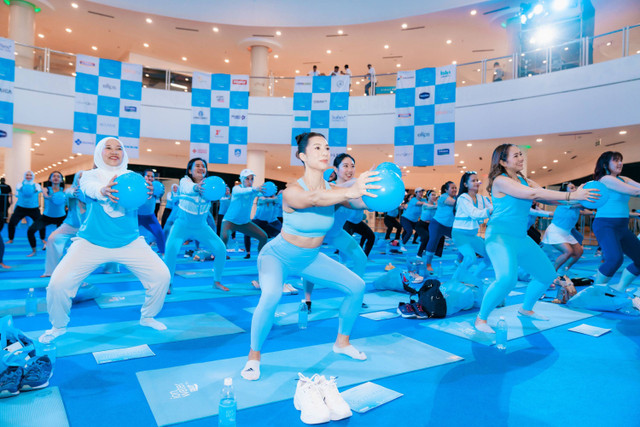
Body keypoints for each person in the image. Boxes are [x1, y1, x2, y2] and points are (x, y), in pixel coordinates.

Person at [241, 132, 380, 381]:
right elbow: (316, 198)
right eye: (317, 148)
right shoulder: (292, 191)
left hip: (310, 257)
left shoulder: (335, 191)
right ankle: (253, 357)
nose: (325, 152)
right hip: (278, 256)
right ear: (303, 156)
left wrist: (377, 194)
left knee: (357, 287)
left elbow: (358, 203)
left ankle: (342, 342)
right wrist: (350, 191)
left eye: (326, 147)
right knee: (271, 296)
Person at [39, 137, 171, 344]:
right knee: (58, 284)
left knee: (162, 275)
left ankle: (148, 317)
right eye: (108, 147)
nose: (114, 151)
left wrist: (151, 193)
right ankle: (58, 326)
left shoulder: (132, 177)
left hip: (129, 242)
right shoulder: (89, 175)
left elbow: (143, 206)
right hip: (91, 242)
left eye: (119, 148)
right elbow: (88, 189)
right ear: (99, 152)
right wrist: (103, 190)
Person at [475, 144, 598, 333]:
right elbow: (533, 194)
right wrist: (572, 194)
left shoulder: (525, 180)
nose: (521, 158)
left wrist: (579, 198)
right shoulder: (501, 180)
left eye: (520, 154)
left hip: (520, 237)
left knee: (547, 275)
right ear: (502, 161)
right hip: (499, 236)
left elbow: (549, 199)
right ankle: (481, 319)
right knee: (507, 279)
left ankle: (526, 309)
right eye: (515, 155)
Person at [304, 153, 369, 310]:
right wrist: (357, 184)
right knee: (310, 264)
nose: (350, 169)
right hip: (318, 233)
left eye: (352, 166)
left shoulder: (353, 190)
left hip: (336, 233)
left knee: (361, 258)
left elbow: (359, 207)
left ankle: (355, 295)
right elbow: (341, 191)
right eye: (345, 166)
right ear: (336, 169)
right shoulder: (329, 186)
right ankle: (307, 300)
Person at [163, 157, 228, 292]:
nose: (201, 168)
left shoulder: (210, 185)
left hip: (201, 226)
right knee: (170, 250)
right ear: (190, 170)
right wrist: (197, 187)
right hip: (182, 225)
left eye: (203, 166)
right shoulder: (185, 181)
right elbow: (187, 189)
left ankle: (216, 281)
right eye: (197, 166)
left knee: (221, 249)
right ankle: (167, 283)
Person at [592, 151, 640, 293]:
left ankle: (619, 290)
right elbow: (635, 192)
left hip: (622, 227)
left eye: (621, 160)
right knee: (614, 259)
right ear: (606, 164)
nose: (620, 163)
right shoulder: (606, 179)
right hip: (605, 225)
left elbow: (638, 186)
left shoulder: (623, 178)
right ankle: (596, 293)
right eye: (616, 160)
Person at [41, 171, 85, 277]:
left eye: (85, 177)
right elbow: (71, 192)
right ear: (75, 179)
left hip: (89, 227)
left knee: (107, 243)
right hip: (70, 225)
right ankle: (51, 271)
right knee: (52, 239)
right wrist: (76, 192)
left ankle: (111, 268)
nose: (82, 179)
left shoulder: (94, 190)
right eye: (79, 177)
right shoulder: (71, 190)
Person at [451, 172, 492, 285]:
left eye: (477, 180)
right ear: (465, 184)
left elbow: (491, 208)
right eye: (473, 181)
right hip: (459, 234)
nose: (476, 182)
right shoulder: (463, 198)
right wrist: (490, 211)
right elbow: (474, 213)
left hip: (472, 235)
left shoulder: (482, 198)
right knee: (470, 258)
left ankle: (473, 278)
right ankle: (454, 281)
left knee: (489, 257)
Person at [220, 169, 268, 256]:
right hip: (229, 222)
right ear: (242, 179)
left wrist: (270, 190)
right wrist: (256, 189)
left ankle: (261, 258)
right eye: (247, 178)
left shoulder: (253, 191)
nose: (250, 181)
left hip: (244, 223)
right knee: (224, 238)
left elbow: (264, 194)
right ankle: (219, 257)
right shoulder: (236, 188)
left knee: (263, 237)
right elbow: (242, 192)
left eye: (252, 179)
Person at [542, 182, 584, 275]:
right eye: (572, 188)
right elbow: (581, 204)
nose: (575, 189)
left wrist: (594, 213)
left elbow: (583, 208)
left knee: (578, 252)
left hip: (566, 232)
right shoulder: (565, 201)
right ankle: (552, 273)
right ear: (565, 191)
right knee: (568, 251)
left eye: (575, 187)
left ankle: (564, 270)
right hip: (555, 231)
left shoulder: (575, 202)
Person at [27, 171, 67, 256]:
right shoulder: (46, 189)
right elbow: (45, 196)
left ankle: (53, 247)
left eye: (58, 177)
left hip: (61, 217)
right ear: (50, 179)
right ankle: (34, 251)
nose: (56, 178)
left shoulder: (65, 191)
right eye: (54, 176)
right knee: (30, 231)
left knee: (61, 236)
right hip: (46, 217)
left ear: (61, 180)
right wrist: (50, 197)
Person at [424, 181, 458, 272]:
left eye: (455, 188)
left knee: (460, 240)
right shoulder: (443, 197)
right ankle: (428, 264)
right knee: (433, 242)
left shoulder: (456, 198)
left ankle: (458, 262)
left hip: (449, 227)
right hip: (437, 224)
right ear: (446, 190)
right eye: (452, 188)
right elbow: (455, 203)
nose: (455, 189)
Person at [6, 171, 42, 251]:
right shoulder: (20, 184)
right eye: (27, 175)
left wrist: (33, 190)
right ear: (24, 176)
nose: (28, 176)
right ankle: (11, 239)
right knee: (12, 223)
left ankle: (42, 238)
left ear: (32, 176)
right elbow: (19, 190)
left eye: (30, 175)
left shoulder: (36, 185)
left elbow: (38, 190)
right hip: (21, 207)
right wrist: (24, 189)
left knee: (41, 223)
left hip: (33, 208)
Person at [242, 192, 282, 259]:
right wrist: (272, 199)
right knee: (246, 233)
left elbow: (277, 200)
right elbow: (262, 200)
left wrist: (274, 198)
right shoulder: (261, 196)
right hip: (258, 220)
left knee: (283, 235)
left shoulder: (276, 198)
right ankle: (248, 253)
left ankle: (278, 253)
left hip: (272, 221)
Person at [138, 170, 165, 254]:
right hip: (136, 216)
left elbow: (159, 194)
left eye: (152, 176)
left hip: (150, 217)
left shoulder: (156, 188)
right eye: (148, 176)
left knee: (160, 233)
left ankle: (163, 253)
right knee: (128, 235)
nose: (150, 178)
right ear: (143, 177)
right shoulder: (138, 186)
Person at [415, 190, 437, 258]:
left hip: (430, 226)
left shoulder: (436, 205)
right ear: (428, 196)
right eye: (432, 195)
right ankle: (419, 254)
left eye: (435, 195)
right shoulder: (425, 204)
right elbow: (431, 207)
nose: (434, 196)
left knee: (431, 238)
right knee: (426, 236)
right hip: (421, 225)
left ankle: (424, 248)